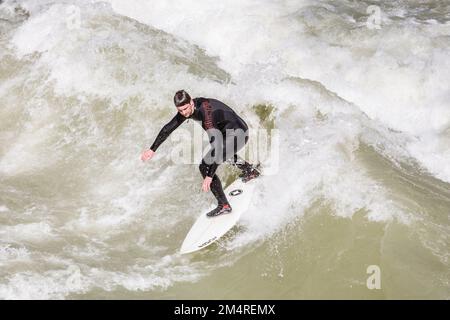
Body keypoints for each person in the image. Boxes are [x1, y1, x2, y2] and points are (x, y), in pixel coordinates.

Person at [141, 90, 260, 217]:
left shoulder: (206, 115)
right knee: (225, 151)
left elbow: (217, 147)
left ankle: (224, 205)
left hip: (238, 133)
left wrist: (209, 176)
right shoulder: (188, 109)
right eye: (180, 111)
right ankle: (250, 171)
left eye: (185, 109)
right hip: (231, 130)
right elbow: (168, 128)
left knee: (205, 165)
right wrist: (152, 149)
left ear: (191, 102)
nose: (184, 113)